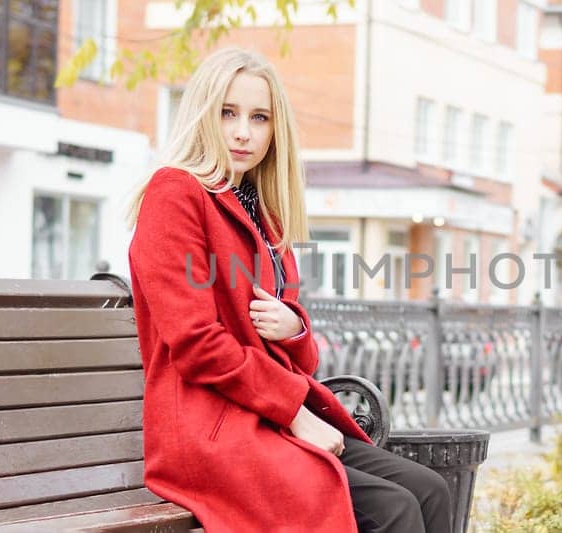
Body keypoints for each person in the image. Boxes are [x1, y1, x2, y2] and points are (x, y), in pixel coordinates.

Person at [125, 48, 453, 533]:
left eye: (259, 118)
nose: (243, 132)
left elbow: (298, 354)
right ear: (201, 114)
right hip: (212, 429)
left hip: (264, 416)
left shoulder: (261, 209)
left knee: (432, 490)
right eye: (227, 113)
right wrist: (295, 413)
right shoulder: (175, 194)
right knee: (392, 508)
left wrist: (295, 327)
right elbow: (196, 344)